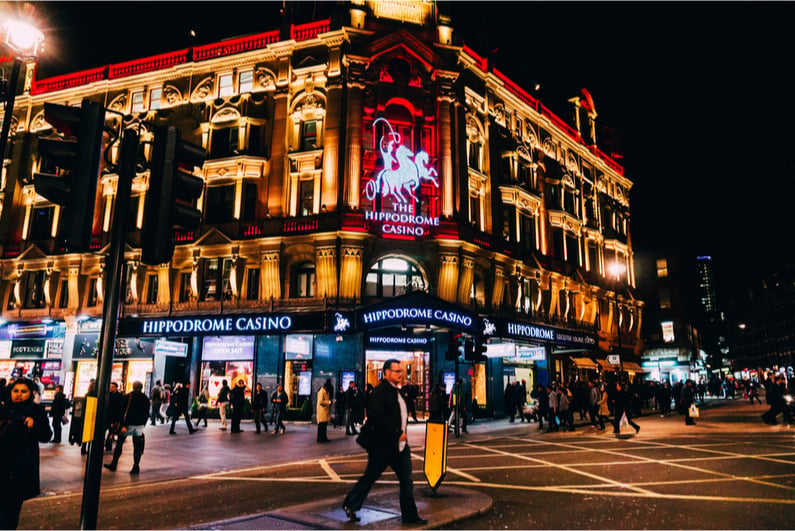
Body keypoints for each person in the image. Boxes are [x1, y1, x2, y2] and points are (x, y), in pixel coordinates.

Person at [341, 359, 427, 525]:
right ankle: (350, 504)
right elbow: (376, 416)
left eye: (401, 371)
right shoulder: (380, 392)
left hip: (400, 447)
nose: (400, 374)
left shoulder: (398, 391)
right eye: (396, 371)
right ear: (386, 372)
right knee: (370, 477)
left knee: (407, 481)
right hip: (383, 446)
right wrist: (396, 432)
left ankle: (410, 517)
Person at [0, 378, 52, 529]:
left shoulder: (37, 411)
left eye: (23, 391)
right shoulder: (3, 409)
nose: (19, 395)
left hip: (20, 468)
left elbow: (46, 436)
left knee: (11, 512)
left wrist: (33, 426)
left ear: (31, 393)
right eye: (15, 391)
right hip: (2, 464)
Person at [103, 380, 150, 475]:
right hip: (139, 425)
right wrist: (143, 424)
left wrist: (119, 422)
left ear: (133, 387)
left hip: (127, 424)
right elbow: (146, 413)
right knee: (137, 446)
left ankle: (114, 463)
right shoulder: (145, 398)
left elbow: (121, 410)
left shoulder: (128, 396)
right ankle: (136, 466)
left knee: (119, 444)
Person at [105, 382, 125, 452]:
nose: (111, 388)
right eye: (110, 387)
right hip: (107, 416)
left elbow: (120, 408)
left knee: (111, 432)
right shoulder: (107, 395)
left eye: (113, 387)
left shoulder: (119, 396)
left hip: (114, 417)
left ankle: (108, 445)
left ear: (116, 388)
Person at [317, 379, 333, 443]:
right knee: (321, 426)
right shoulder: (321, 392)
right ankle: (320, 438)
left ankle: (324, 437)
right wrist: (329, 402)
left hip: (325, 411)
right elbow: (321, 402)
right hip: (322, 411)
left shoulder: (325, 391)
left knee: (324, 425)